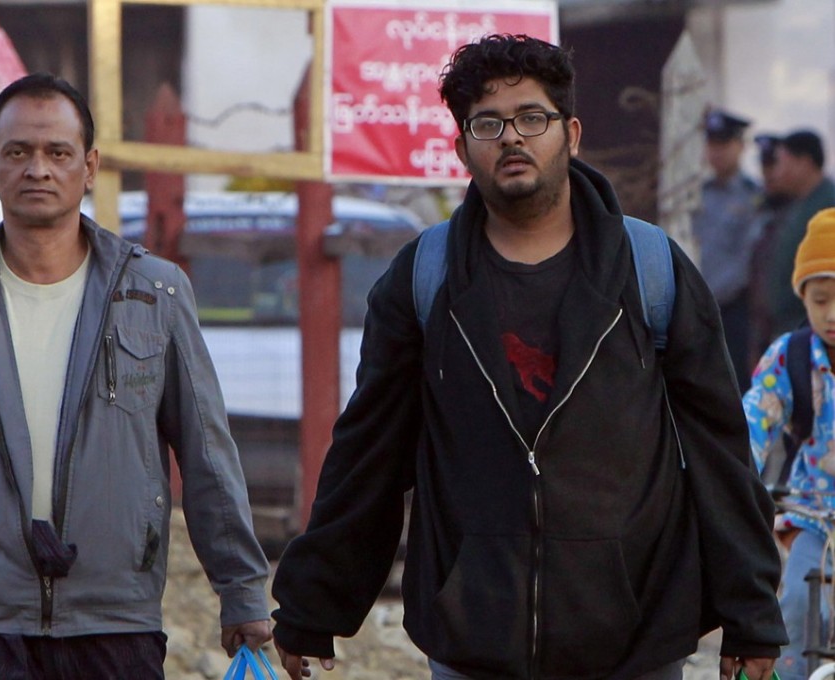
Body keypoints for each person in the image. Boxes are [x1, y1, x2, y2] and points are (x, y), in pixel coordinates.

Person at [270, 34, 786, 680]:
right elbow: (371, 451)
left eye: (531, 118)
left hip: (634, 640)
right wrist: (315, 603)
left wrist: (751, 613)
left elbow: (718, 451)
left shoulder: (650, 271)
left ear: (569, 134)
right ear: (462, 148)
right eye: (488, 123)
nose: (511, 137)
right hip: (474, 638)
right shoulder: (425, 279)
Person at [0, 73, 271, 678]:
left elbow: (207, 457)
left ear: (88, 167)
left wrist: (242, 593)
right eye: (18, 153)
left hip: (115, 619)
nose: (38, 168)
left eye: (57, 152)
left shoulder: (154, 294)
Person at [744, 207, 835, 679]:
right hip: (811, 513)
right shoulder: (789, 356)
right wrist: (739, 476)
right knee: (798, 601)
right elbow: (753, 421)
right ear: (803, 297)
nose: (832, 313)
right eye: (820, 299)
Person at [691, 108, 762, 391]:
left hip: (735, 309)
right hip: (697, 309)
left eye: (724, 144)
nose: (717, 152)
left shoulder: (753, 196)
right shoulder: (697, 194)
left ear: (741, 146)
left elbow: (749, 260)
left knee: (737, 385)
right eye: (712, 144)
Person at [764, 130, 835, 339]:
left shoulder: (827, 207)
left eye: (782, 163)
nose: (776, 173)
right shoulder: (801, 204)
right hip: (794, 327)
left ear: (803, 163)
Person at [748, 133, 794, 363]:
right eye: (765, 166)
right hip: (758, 320)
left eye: (774, 165)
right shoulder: (760, 207)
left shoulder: (801, 212)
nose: (769, 174)